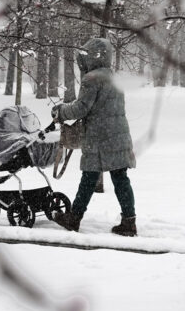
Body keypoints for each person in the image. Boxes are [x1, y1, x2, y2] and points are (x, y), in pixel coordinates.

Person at [51, 38, 137, 236]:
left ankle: (74, 219)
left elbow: (81, 108)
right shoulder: (114, 77)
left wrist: (60, 111)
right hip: (118, 135)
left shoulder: (92, 79)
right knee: (120, 179)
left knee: (89, 178)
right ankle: (129, 222)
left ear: (92, 57)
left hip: (99, 137)